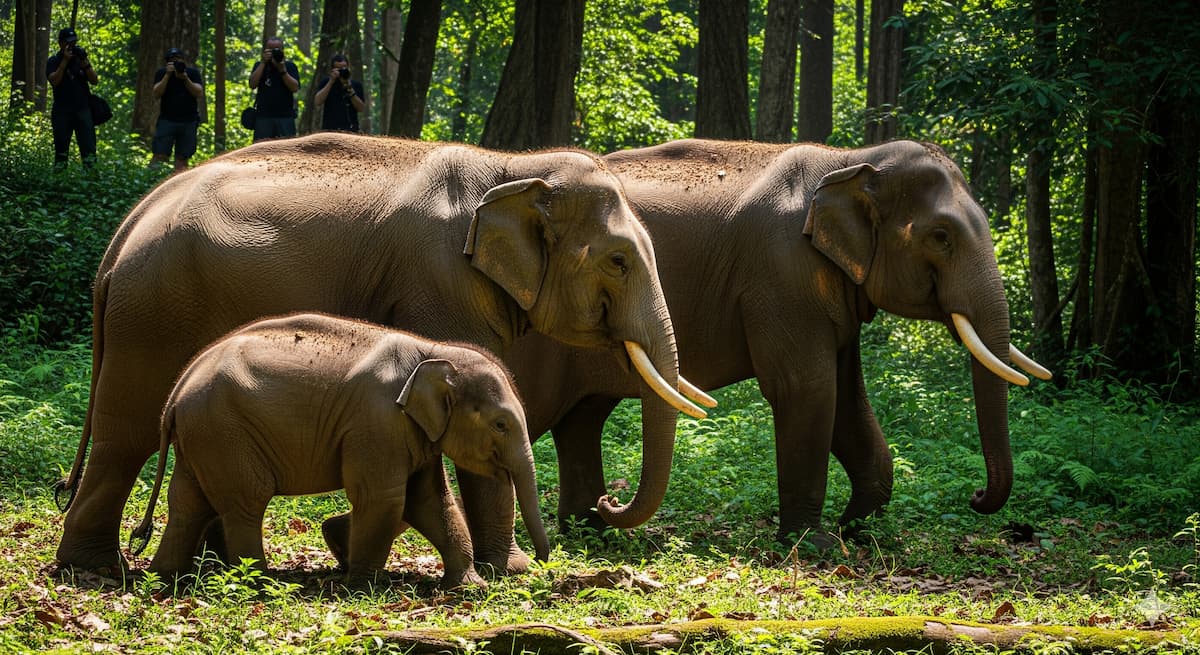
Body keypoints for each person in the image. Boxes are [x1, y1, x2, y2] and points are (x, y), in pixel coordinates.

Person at [46, 27, 99, 167]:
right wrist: (64, 61)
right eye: (68, 42)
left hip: (83, 109)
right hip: (62, 112)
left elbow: (95, 81)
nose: (71, 45)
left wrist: (85, 63)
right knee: (61, 151)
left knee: (89, 150)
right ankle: (60, 181)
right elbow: (54, 81)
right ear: (60, 43)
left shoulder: (80, 60)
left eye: (74, 42)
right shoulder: (53, 61)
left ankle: (91, 181)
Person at [151, 48, 204, 172]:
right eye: (171, 61)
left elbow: (198, 92)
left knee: (182, 158)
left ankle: (180, 186)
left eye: (178, 60)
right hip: (167, 120)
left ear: (183, 61)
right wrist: (167, 75)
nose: (175, 63)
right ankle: (149, 182)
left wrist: (185, 79)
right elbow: (156, 93)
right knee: (159, 155)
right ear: (166, 63)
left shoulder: (192, 73)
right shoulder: (162, 73)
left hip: (188, 121)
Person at [248, 36, 301, 141]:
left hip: (285, 117)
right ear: (265, 50)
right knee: (261, 151)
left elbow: (295, 88)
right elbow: (252, 84)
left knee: (286, 151)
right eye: (270, 49)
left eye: (277, 49)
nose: (274, 52)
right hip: (263, 117)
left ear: (282, 50)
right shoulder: (260, 65)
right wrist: (263, 62)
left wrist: (282, 70)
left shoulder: (290, 66)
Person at [313, 54, 365, 133]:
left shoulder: (356, 85)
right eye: (339, 69)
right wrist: (331, 81)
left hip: (351, 129)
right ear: (333, 69)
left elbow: (361, 108)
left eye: (344, 68)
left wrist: (349, 88)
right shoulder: (326, 82)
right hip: (330, 129)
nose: (342, 71)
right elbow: (317, 101)